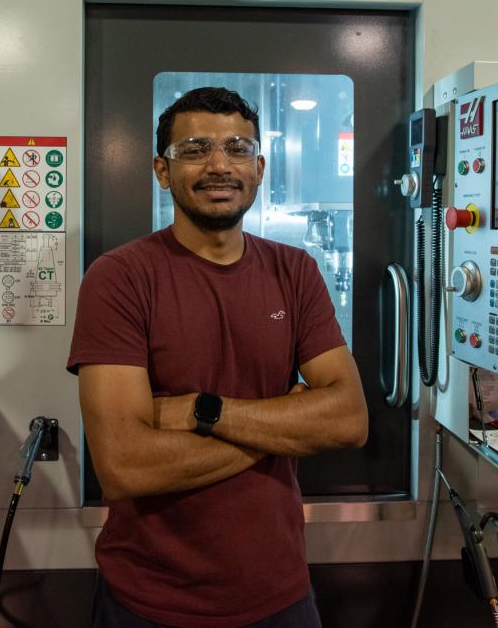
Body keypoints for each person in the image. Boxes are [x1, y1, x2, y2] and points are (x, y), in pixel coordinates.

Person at [67, 87, 369, 628]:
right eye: (195, 149)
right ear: (162, 171)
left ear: (259, 167)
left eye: (236, 148)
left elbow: (348, 420)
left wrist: (201, 412)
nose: (218, 165)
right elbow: (124, 465)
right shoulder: (120, 279)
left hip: (282, 594)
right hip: (148, 602)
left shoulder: (295, 272)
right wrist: (286, 423)